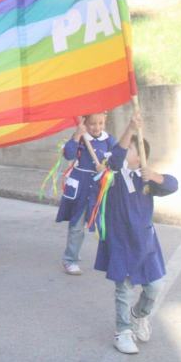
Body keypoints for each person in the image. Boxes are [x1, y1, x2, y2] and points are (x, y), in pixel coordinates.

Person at [95, 111, 178, 355]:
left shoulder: (147, 181)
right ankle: (122, 332)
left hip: (146, 244)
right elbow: (114, 157)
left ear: (140, 157)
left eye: (133, 149)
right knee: (123, 290)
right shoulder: (115, 176)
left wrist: (152, 174)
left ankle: (139, 314)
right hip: (121, 243)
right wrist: (130, 128)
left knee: (155, 286)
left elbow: (172, 185)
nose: (126, 152)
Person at [56, 113, 117, 275]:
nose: (97, 127)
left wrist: (106, 167)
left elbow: (118, 159)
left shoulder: (109, 140)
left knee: (105, 226)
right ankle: (70, 259)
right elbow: (68, 154)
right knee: (77, 226)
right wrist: (77, 135)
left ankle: (113, 259)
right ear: (85, 123)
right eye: (92, 124)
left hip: (99, 189)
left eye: (100, 123)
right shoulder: (81, 138)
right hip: (82, 189)